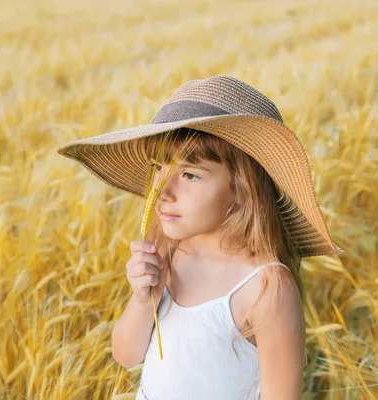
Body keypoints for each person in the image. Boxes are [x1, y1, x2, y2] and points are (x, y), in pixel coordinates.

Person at [56, 75, 345, 399]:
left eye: (190, 175)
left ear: (243, 189)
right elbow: (126, 356)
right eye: (159, 168)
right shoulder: (168, 251)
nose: (162, 191)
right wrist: (143, 299)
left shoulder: (266, 289)